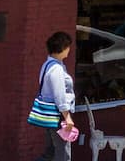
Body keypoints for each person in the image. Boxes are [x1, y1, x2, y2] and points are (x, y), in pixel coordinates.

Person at [32, 31, 76, 161]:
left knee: (50, 151)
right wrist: (67, 117)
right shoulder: (56, 68)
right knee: (63, 153)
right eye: (68, 46)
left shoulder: (47, 65)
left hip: (49, 115)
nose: (69, 50)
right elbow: (59, 95)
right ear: (62, 48)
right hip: (58, 116)